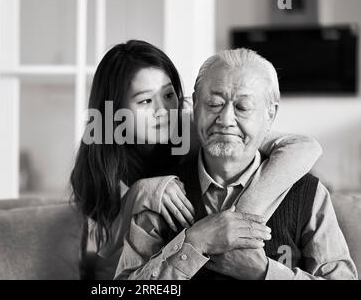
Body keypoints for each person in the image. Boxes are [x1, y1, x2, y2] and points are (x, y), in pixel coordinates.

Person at [70, 40, 322, 279]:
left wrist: (241, 216)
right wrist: (141, 192)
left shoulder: (195, 124)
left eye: (169, 95)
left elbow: (303, 147)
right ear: (115, 111)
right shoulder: (99, 159)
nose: (164, 111)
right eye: (146, 100)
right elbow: (104, 250)